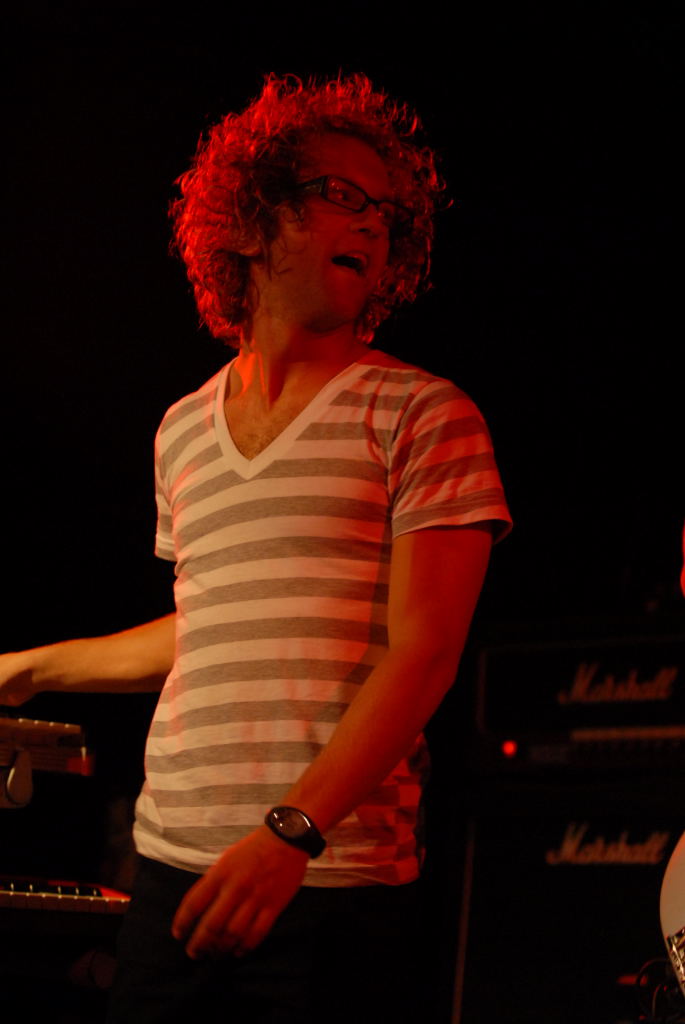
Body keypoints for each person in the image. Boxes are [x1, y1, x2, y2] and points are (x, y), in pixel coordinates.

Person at [0, 74, 511, 1022]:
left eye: (387, 212)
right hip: (174, 871)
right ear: (247, 218)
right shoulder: (182, 429)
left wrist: (290, 834)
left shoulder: (423, 414)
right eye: (340, 195)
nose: (372, 223)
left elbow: (425, 654)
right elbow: (214, 625)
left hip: (330, 881)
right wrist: (29, 668)